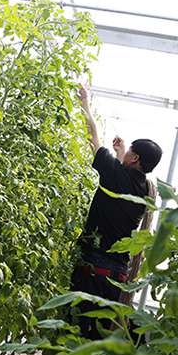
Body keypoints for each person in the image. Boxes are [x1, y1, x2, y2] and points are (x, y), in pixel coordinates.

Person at [70, 86, 162, 339]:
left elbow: (93, 137)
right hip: (116, 273)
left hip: (93, 267)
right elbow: (126, 177)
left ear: (135, 158)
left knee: (77, 326)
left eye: (129, 150)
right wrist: (122, 153)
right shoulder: (147, 190)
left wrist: (86, 104)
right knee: (98, 334)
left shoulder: (115, 175)